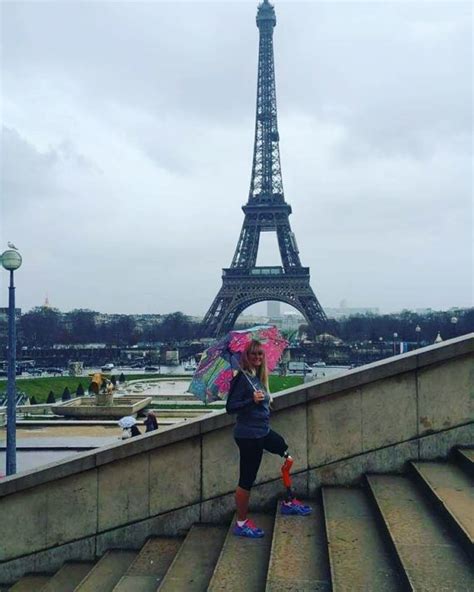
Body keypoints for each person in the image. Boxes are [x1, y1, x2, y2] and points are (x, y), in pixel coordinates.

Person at [226, 339, 311, 538]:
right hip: (249, 437)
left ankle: (289, 500)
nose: (257, 357)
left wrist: (264, 401)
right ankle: (241, 522)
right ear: (246, 356)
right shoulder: (241, 378)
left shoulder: (256, 377)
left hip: (262, 432)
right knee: (246, 480)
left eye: (260, 354)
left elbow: (260, 400)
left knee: (286, 453)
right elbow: (230, 407)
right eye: (253, 354)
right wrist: (250, 401)